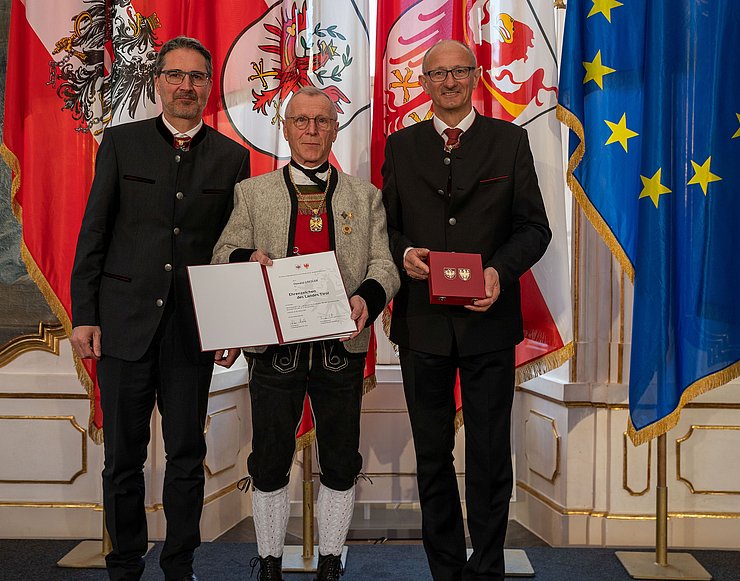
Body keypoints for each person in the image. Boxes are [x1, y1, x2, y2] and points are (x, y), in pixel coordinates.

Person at [70, 36, 250, 581]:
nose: (186, 86)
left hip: (191, 332)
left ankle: (179, 565)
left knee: (186, 457)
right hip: (122, 326)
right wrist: (85, 314)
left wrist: (233, 325)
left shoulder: (232, 156)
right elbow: (93, 234)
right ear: (158, 82)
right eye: (176, 75)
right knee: (122, 459)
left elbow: (233, 247)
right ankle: (123, 564)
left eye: (197, 77)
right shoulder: (122, 144)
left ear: (208, 85)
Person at [211, 86, 399, 581]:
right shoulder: (252, 192)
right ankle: (270, 560)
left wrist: (368, 298)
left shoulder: (366, 195)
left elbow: (384, 262)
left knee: (341, 458)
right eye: (301, 121)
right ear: (286, 126)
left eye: (321, 120)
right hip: (274, 352)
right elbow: (223, 251)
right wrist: (246, 259)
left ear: (335, 127)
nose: (311, 130)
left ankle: (332, 560)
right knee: (269, 459)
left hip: (342, 348)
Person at [381, 40, 552, 581]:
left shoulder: (510, 141)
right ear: (423, 82)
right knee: (432, 457)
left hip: (488, 324)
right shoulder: (401, 145)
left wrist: (499, 273)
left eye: (458, 72)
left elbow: (534, 228)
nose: (449, 81)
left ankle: (488, 568)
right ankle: (445, 570)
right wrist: (403, 253)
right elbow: (386, 227)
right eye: (437, 74)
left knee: (488, 458)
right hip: (422, 326)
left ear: (475, 76)